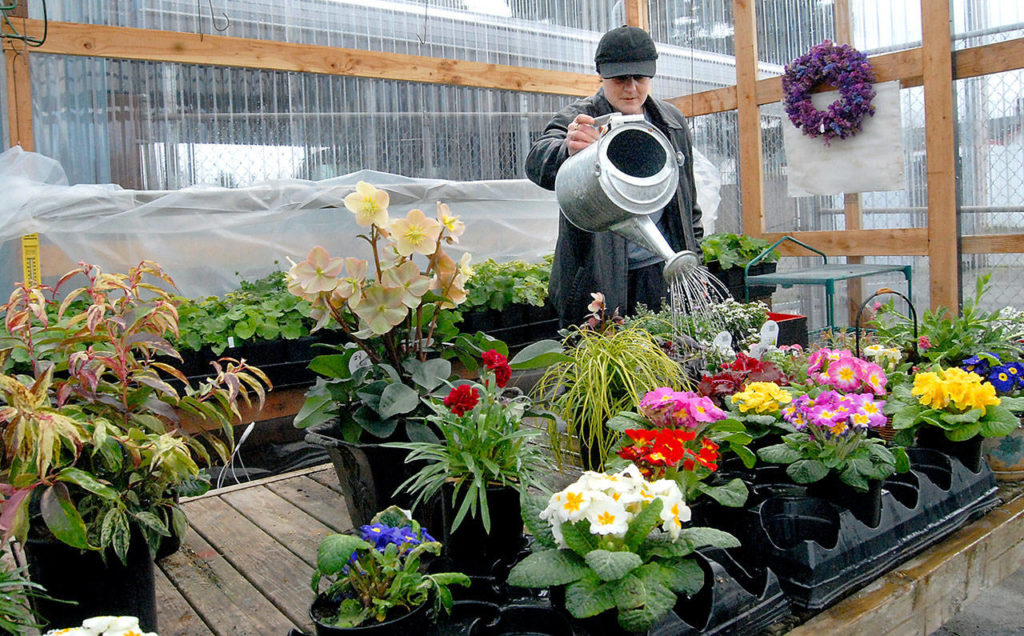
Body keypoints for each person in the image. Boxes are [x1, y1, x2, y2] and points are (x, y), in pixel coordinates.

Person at [526, 25, 704, 327]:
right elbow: (536, 162)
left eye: (640, 77)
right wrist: (568, 153)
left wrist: (693, 256)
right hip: (598, 278)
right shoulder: (581, 119)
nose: (631, 88)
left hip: (659, 270)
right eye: (621, 78)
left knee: (666, 357)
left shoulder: (671, 122)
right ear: (602, 74)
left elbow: (688, 203)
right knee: (604, 367)